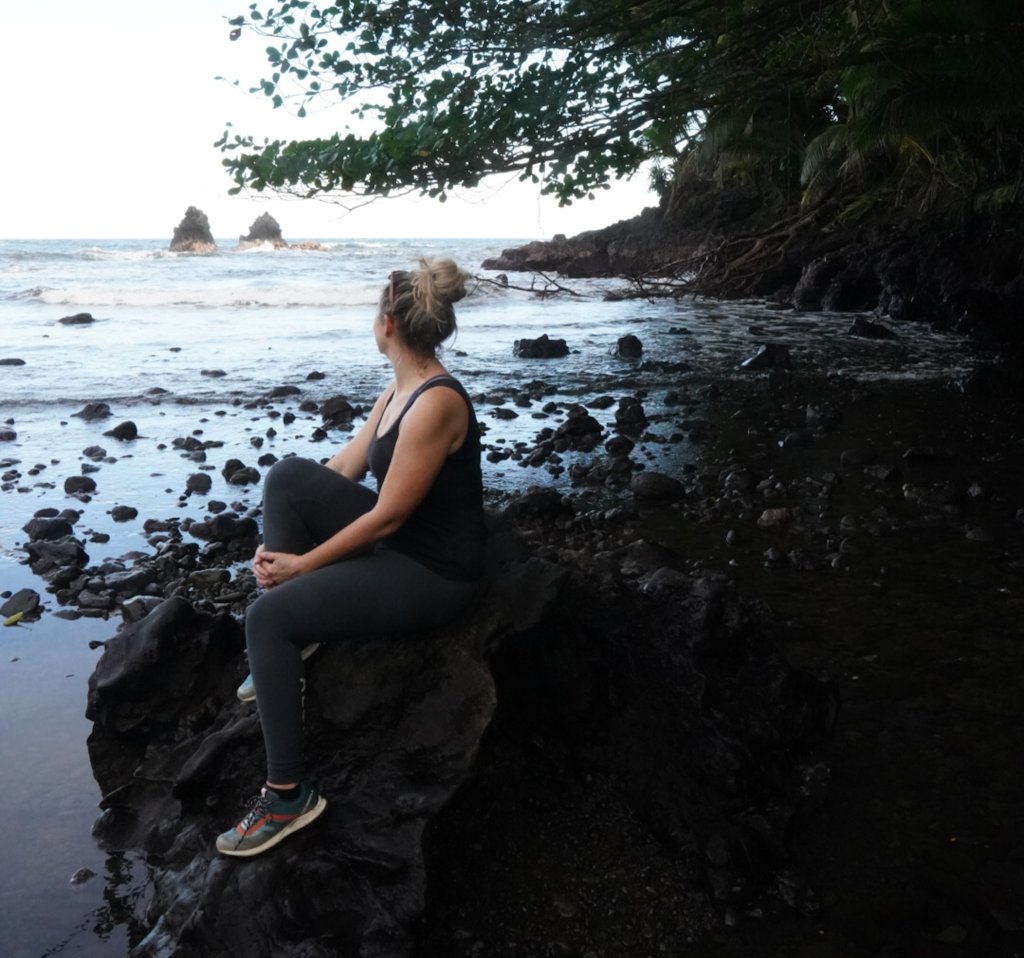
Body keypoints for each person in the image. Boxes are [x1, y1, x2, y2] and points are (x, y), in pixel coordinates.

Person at [216, 257, 487, 857]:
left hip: (435, 570)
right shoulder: (399, 387)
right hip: (401, 540)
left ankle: (287, 795)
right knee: (287, 475)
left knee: (267, 619)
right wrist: (278, 557)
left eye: (375, 312)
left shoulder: (437, 402)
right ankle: (294, 637)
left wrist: (302, 570)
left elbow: (385, 518)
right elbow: (343, 469)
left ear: (387, 323)